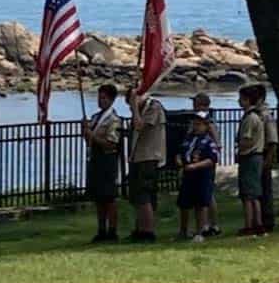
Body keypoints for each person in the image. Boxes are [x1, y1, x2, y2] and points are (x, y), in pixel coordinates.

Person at [126, 87, 166, 242]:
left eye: (131, 102)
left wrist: (136, 107)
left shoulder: (153, 107)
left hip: (149, 156)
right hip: (138, 157)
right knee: (137, 197)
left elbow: (139, 126)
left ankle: (148, 231)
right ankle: (140, 228)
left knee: (145, 195)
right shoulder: (141, 109)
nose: (130, 107)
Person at [83, 83, 122, 243]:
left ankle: (112, 231)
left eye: (104, 98)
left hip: (107, 160)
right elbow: (88, 141)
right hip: (95, 158)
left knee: (109, 198)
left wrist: (92, 136)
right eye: (99, 97)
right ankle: (101, 229)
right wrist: (85, 131)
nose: (100, 100)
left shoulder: (113, 119)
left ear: (112, 100)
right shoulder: (96, 117)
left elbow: (111, 143)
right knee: (98, 198)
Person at [175, 111, 219, 241]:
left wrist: (196, 166)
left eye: (199, 124)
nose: (196, 126)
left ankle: (200, 231)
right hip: (188, 175)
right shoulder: (188, 139)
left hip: (201, 176)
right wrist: (178, 159)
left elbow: (212, 159)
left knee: (201, 204)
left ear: (206, 126)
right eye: (194, 124)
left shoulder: (208, 142)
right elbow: (180, 151)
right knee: (184, 204)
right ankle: (183, 231)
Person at [236, 84, 266, 236]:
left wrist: (239, 149)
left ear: (247, 100)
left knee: (248, 194)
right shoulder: (257, 116)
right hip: (256, 156)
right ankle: (258, 223)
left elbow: (246, 140)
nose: (238, 101)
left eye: (241, 99)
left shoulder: (250, 118)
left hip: (250, 156)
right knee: (254, 193)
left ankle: (250, 225)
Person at [192, 92, 221, 236]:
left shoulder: (208, 122)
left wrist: (214, 154)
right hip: (200, 160)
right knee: (206, 193)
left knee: (208, 193)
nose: (193, 107)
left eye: (195, 104)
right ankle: (208, 223)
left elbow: (216, 141)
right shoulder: (200, 120)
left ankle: (213, 224)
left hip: (207, 160)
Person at [255, 83, 278, 232]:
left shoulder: (265, 115)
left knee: (265, 187)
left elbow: (273, 140)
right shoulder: (255, 113)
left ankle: (267, 219)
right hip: (257, 154)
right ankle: (259, 219)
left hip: (264, 154)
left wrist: (269, 159)